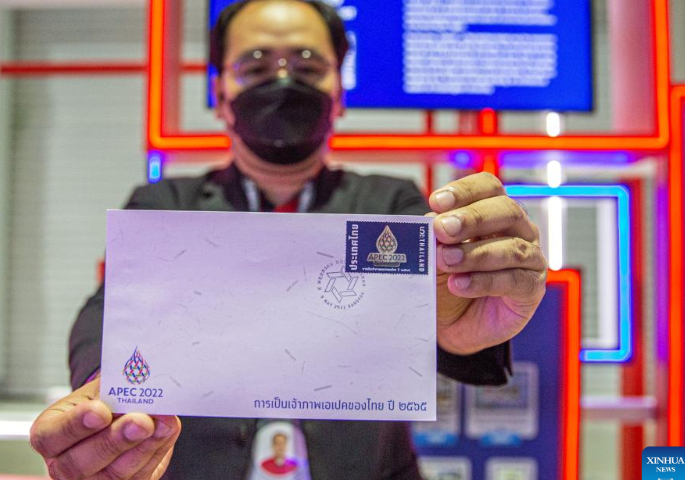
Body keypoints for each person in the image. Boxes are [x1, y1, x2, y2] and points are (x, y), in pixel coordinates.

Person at [28, 1, 547, 479]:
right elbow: (110, 309)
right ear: (221, 97)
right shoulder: (166, 206)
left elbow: (435, 311)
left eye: (306, 66)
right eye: (255, 67)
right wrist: (105, 386)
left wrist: (462, 325)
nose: (282, 82)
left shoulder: (392, 206)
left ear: (338, 95)